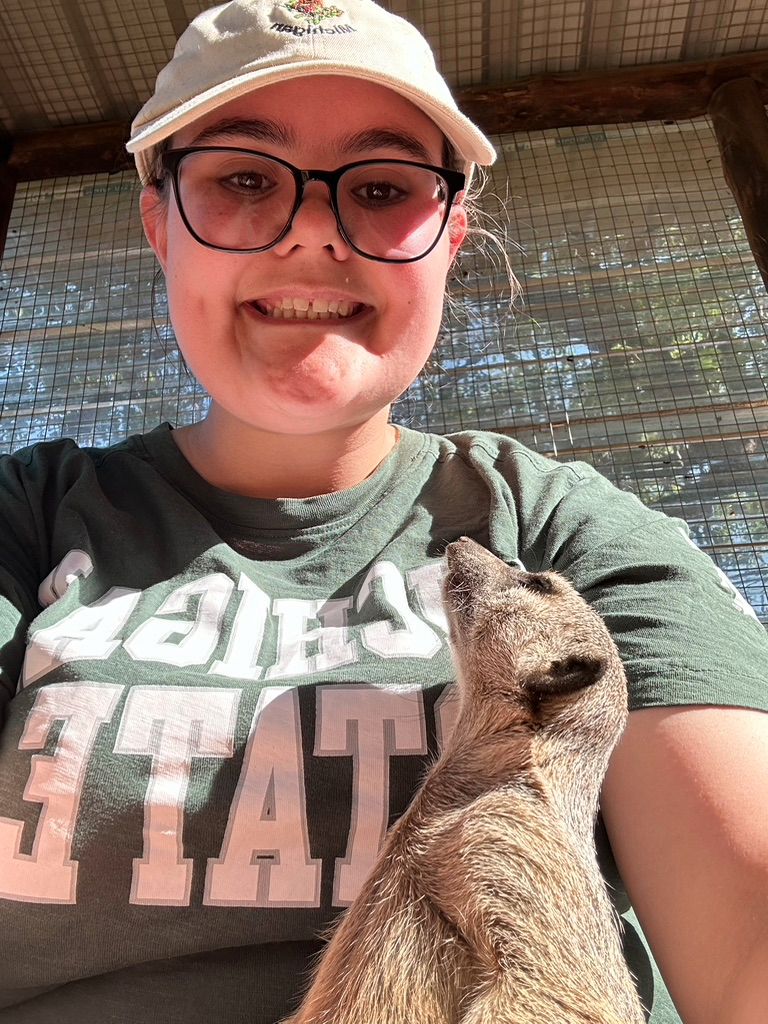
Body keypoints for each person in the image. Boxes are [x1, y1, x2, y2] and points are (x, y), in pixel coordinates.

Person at [0, 1, 765, 1021]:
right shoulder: (33, 512)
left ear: (450, 236)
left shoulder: (567, 527)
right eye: (241, 179)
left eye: (380, 187)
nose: (314, 232)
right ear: (160, 223)